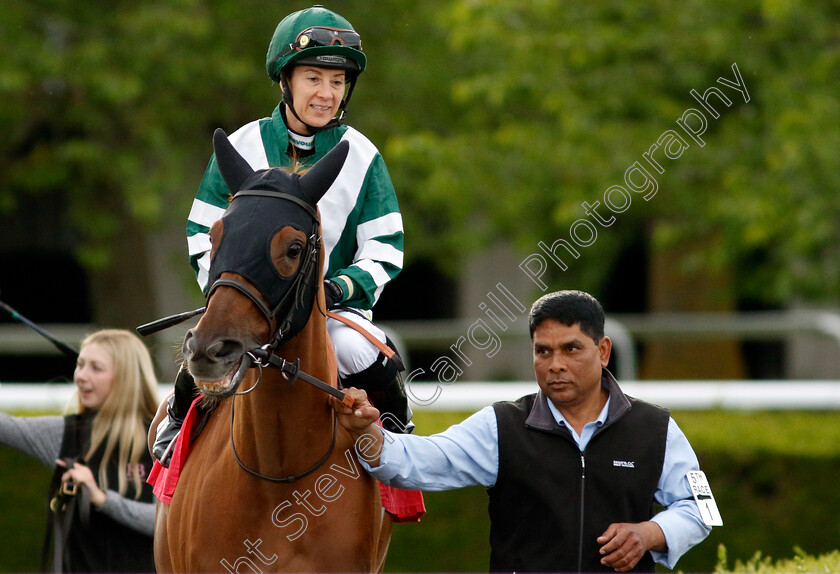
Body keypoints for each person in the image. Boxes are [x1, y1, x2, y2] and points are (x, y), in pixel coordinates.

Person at [153, 4, 409, 462]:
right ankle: (177, 424)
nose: (327, 93)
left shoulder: (364, 156)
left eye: (337, 82)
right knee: (208, 338)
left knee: (362, 351)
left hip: (332, 310)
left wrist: (336, 287)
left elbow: (386, 247)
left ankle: (396, 441)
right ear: (285, 81)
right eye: (314, 78)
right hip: (252, 302)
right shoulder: (241, 145)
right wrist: (233, 294)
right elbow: (199, 232)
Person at [334, 290, 715, 573]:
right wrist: (368, 432)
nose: (556, 365)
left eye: (571, 349)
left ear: (603, 351)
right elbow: (419, 461)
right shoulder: (501, 426)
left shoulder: (655, 427)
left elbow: (700, 508)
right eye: (543, 351)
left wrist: (650, 533)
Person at [0, 329, 158, 572]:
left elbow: (167, 521)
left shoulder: (163, 439)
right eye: (80, 365)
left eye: (96, 368)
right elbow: (6, 427)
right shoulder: (66, 433)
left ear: (125, 378)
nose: (80, 376)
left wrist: (102, 498)